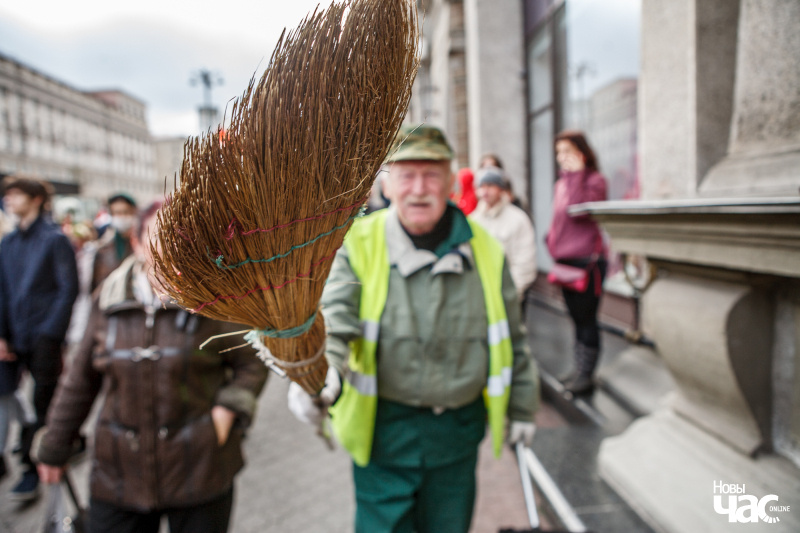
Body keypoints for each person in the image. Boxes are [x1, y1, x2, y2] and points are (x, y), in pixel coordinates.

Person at [288, 124, 539, 533]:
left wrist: (524, 407)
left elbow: (512, 336)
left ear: (452, 183)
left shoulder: (486, 249)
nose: (418, 188)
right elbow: (335, 317)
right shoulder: (359, 242)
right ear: (388, 186)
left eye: (431, 174)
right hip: (384, 436)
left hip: (456, 437)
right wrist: (318, 371)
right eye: (406, 175)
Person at [34, 201, 269, 533]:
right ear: (138, 242)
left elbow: (252, 360)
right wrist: (55, 446)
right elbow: (79, 381)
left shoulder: (216, 298)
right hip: (119, 474)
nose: (173, 249)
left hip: (200, 468)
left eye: (184, 238)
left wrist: (227, 412)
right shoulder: (110, 299)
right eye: (161, 237)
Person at [0, 175, 79, 501]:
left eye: (16, 194)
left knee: (43, 400)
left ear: (35, 199)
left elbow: (67, 289)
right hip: (15, 337)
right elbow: (2, 292)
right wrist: (2, 335)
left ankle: (35, 465)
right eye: (7, 195)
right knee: (13, 398)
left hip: (43, 337)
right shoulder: (8, 243)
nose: (9, 200)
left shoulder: (54, 239)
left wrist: (50, 334)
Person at [545, 130, 608, 395]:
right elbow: (559, 220)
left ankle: (586, 375)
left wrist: (577, 174)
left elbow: (579, 210)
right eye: (559, 152)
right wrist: (551, 243)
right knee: (575, 319)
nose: (562, 158)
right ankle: (579, 369)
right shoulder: (561, 184)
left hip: (588, 262)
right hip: (565, 261)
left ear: (582, 153)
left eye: (568, 151)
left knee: (587, 319)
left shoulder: (595, 180)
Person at [470, 166, 537, 302]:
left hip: (511, 297)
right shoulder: (473, 220)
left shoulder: (518, 219)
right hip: (480, 298)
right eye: (481, 186)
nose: (485, 191)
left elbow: (525, 262)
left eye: (490, 185)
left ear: (501, 189)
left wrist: (510, 292)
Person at [89, 192, 138, 292]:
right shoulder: (103, 248)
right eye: (117, 213)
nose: (122, 217)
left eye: (126, 212)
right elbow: (96, 284)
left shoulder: (142, 246)